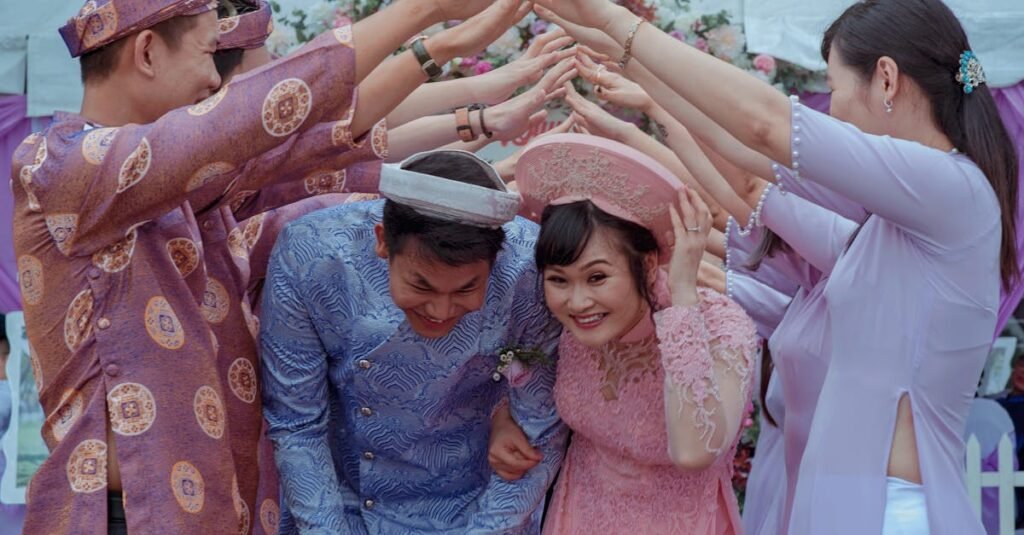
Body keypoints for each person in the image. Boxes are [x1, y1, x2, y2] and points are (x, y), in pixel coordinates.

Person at [10, 0, 534, 532]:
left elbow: (311, 142)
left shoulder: (183, 194)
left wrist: (452, 66)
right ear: (146, 51)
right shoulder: (57, 169)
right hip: (125, 517)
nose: (215, 79)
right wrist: (424, 15)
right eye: (209, 53)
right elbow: (247, 121)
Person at [534, 0, 1020, 533]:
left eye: (833, 88)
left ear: (885, 79)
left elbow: (767, 126)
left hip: (890, 513)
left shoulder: (954, 190)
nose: (831, 111)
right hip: (845, 506)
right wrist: (632, 63)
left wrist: (613, 21)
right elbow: (746, 172)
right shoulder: (885, 233)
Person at [259, 149, 567, 533]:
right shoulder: (311, 255)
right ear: (383, 241)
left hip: (477, 504)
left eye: (467, 289)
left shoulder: (531, 272)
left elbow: (539, 430)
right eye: (421, 285)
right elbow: (296, 422)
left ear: (498, 256)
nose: (440, 310)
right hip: (341, 500)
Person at [491, 133, 757, 533]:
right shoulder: (569, 323)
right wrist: (500, 418)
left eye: (597, 277)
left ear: (649, 264)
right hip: (574, 517)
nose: (578, 302)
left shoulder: (721, 326)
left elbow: (693, 452)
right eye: (559, 280)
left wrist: (683, 293)